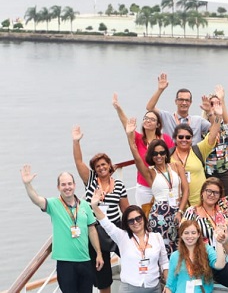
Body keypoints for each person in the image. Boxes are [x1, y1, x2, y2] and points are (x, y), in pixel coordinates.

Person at [21, 165, 103, 293]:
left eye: (70, 184)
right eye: (63, 184)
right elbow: (36, 200)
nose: (67, 187)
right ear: (58, 187)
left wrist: (98, 253)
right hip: (66, 263)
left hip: (85, 260)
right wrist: (27, 185)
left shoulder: (85, 205)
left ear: (75, 185)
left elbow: (92, 230)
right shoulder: (53, 204)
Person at [71, 125, 129, 293]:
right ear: (94, 170)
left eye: (104, 164)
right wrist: (76, 142)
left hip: (115, 228)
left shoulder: (118, 185)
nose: (101, 168)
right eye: (97, 166)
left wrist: (135, 228)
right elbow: (78, 162)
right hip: (95, 231)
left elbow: (125, 209)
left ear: (110, 165)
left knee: (131, 255)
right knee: (101, 273)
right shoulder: (90, 181)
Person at [182, 162, 228, 291]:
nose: (212, 195)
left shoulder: (222, 207)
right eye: (209, 191)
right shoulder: (192, 212)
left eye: (216, 193)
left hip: (220, 262)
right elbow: (182, 235)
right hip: (200, 262)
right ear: (202, 193)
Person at [126, 119, 189, 255]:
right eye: (155, 153)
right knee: (163, 250)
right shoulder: (150, 172)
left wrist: (180, 211)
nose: (159, 156)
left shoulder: (176, 166)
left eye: (161, 153)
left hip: (179, 210)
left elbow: (186, 190)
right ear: (151, 156)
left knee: (185, 245)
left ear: (166, 153)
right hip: (160, 215)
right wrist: (130, 136)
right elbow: (136, 157)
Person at [90, 197, 168, 293]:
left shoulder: (157, 237)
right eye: (131, 221)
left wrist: (168, 285)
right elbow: (106, 224)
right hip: (129, 289)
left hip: (154, 288)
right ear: (127, 224)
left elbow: (164, 263)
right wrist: (94, 206)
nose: (135, 222)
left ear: (143, 218)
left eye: (138, 218)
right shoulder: (122, 237)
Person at [113, 93, 175, 207]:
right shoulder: (138, 138)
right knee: (145, 216)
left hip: (163, 184)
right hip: (144, 187)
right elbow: (126, 125)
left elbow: (172, 160)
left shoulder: (165, 139)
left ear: (158, 124)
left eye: (152, 119)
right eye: (146, 118)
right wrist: (118, 108)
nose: (148, 121)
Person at [170, 102, 222, 206]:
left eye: (188, 137)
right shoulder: (168, 155)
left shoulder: (198, 150)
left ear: (192, 139)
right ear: (175, 138)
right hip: (177, 205)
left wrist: (218, 116)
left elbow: (212, 135)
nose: (184, 140)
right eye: (181, 137)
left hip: (199, 204)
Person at [145, 73, 210, 144]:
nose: (184, 103)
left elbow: (214, 130)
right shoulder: (167, 117)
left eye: (187, 100)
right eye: (181, 100)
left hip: (192, 153)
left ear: (190, 102)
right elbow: (149, 108)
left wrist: (209, 112)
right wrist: (160, 90)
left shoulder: (198, 120)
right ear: (176, 101)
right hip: (171, 153)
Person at [165, 219, 227, 293]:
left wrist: (219, 242)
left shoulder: (207, 249)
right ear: (181, 235)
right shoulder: (175, 256)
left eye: (193, 233)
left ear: (198, 235)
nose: (190, 236)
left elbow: (220, 265)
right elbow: (170, 285)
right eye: (186, 233)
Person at [201, 86, 228, 195]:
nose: (215, 106)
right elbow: (214, 130)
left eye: (218, 103)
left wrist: (222, 100)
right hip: (209, 170)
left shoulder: (227, 122)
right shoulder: (202, 124)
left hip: (225, 169)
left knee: (227, 200)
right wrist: (210, 112)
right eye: (212, 103)